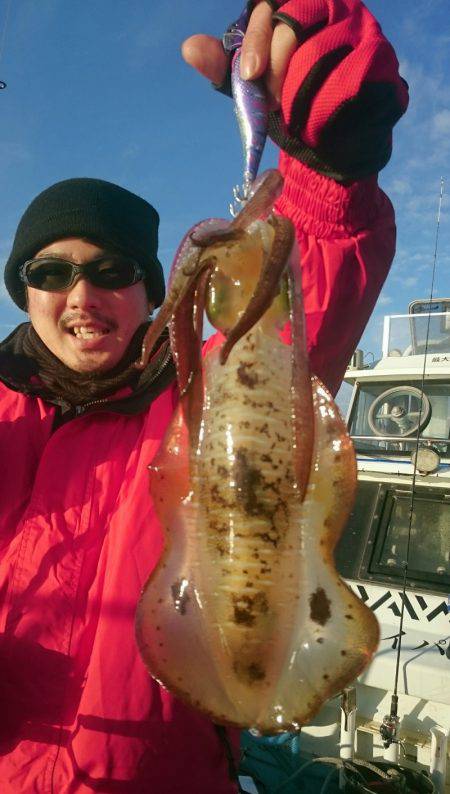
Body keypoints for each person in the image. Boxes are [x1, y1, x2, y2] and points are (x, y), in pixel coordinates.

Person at [0, 1, 408, 791]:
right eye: (50, 273)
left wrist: (329, 177)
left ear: (154, 291)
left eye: (111, 270)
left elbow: (307, 289)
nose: (82, 293)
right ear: (25, 294)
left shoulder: (203, 392)